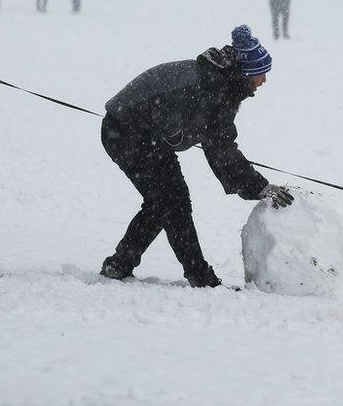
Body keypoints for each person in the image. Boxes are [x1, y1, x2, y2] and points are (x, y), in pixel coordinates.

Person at [100, 25, 295, 287]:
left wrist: (254, 185)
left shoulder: (218, 81)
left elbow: (219, 146)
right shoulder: (214, 90)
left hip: (135, 131)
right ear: (246, 73)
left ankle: (119, 264)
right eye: (261, 74)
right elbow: (221, 151)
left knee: (163, 202)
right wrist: (259, 187)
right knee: (174, 201)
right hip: (128, 132)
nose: (264, 81)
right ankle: (200, 277)